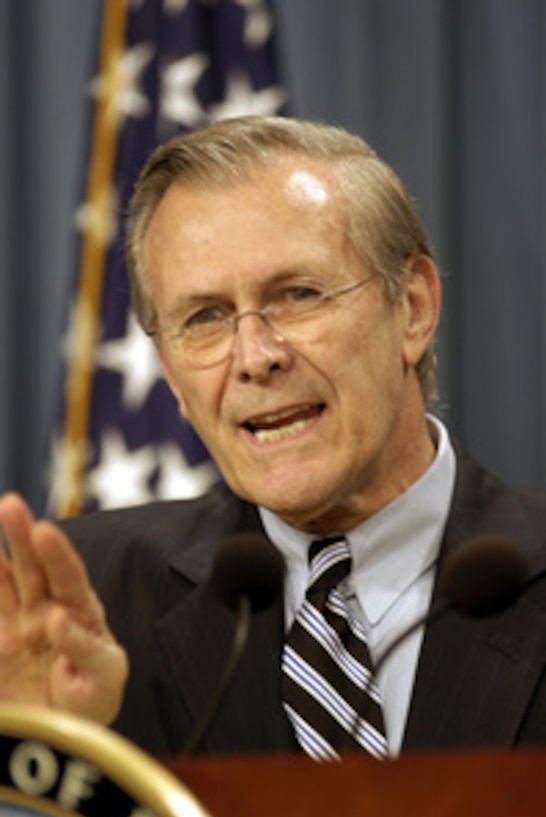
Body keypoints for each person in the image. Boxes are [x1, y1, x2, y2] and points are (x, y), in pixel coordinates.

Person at [0, 116, 545, 759]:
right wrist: (40, 761)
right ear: (169, 371)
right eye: (204, 317)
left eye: (297, 295)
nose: (255, 356)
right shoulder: (75, 609)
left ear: (413, 308)